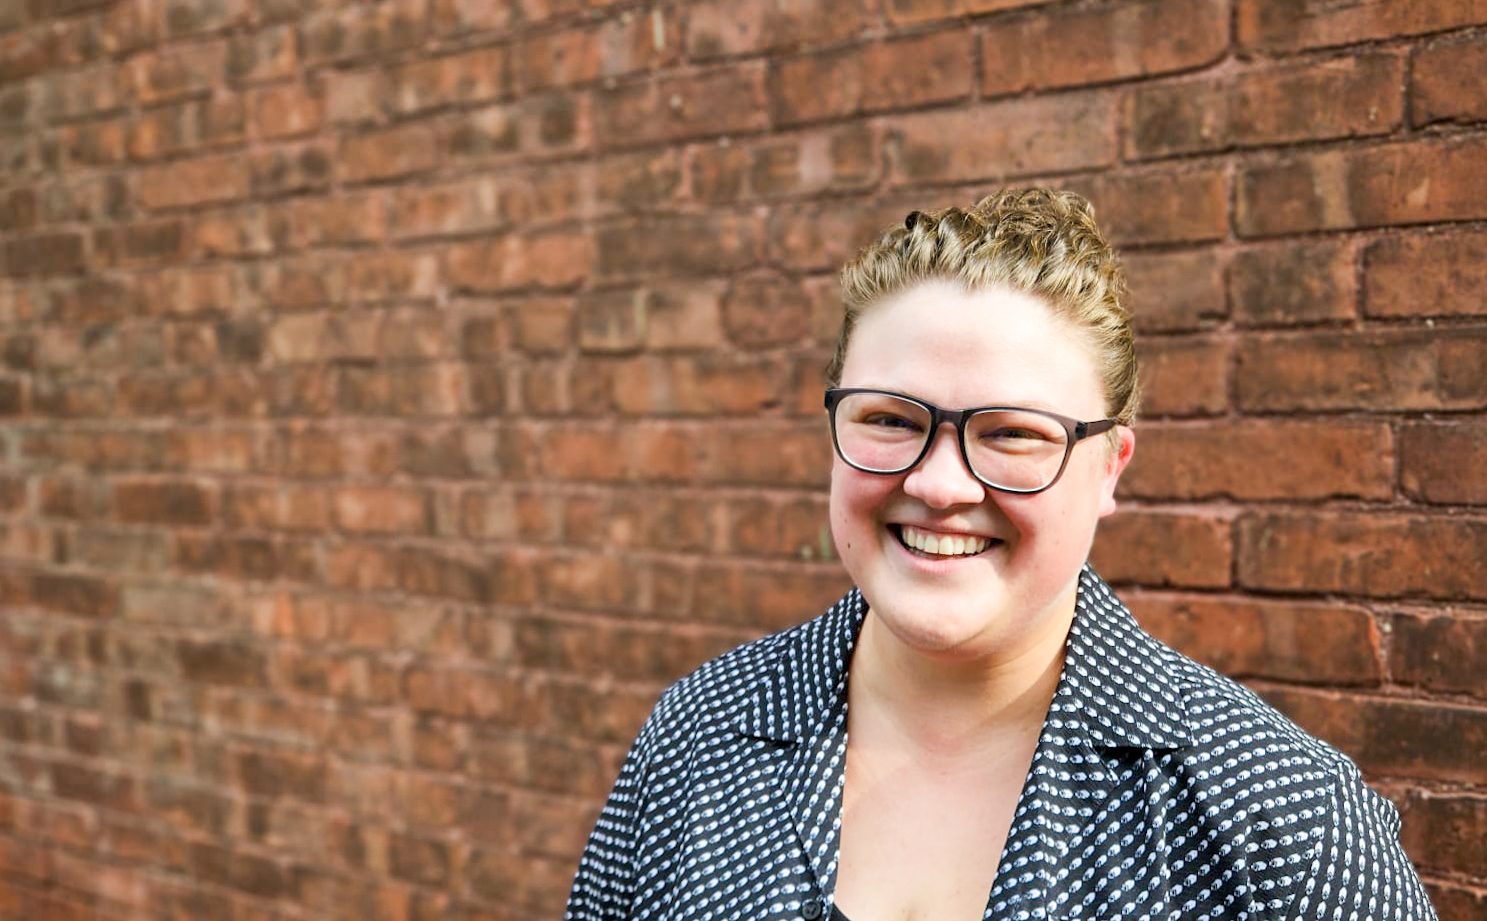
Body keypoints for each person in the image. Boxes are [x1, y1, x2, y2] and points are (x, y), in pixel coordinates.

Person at [564, 189, 1437, 920]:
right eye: (890, 419)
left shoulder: (1276, 822)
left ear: (1108, 466)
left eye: (1013, 433)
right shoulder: (695, 740)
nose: (940, 484)